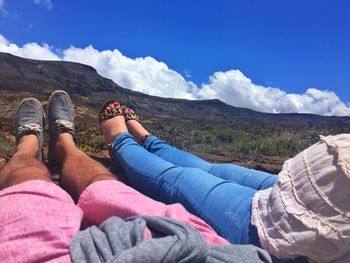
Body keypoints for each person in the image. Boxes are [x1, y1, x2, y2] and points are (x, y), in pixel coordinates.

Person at [0, 90, 272, 263]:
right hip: (289, 192)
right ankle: (145, 139)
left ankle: (42, 145)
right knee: (210, 170)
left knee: (92, 190)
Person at [99, 100, 350, 263]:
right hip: (309, 185)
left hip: (306, 236)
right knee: (209, 168)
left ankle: (120, 141)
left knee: (176, 178)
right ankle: (148, 139)